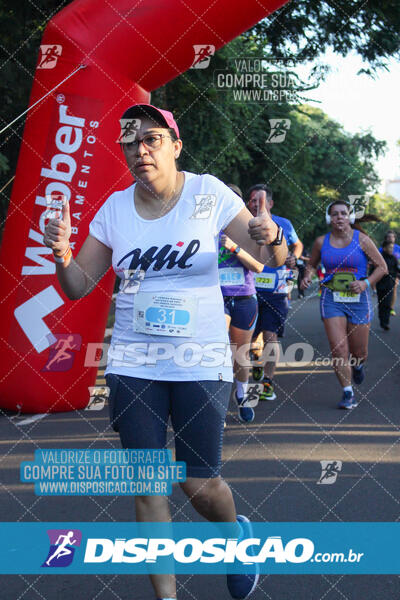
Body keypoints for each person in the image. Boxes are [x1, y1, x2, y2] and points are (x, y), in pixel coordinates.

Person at [43, 104, 287, 600]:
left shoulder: (207, 193)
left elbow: (267, 259)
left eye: (152, 139)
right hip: (135, 363)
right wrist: (62, 252)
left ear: (176, 145)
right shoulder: (114, 210)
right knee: (150, 487)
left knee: (198, 485)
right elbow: (75, 286)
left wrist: (274, 237)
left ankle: (236, 537)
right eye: (131, 142)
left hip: (199, 360)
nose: (141, 150)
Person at [301, 200, 387, 409]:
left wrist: (365, 283)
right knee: (339, 348)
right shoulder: (322, 242)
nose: (339, 217)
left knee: (359, 353)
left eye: (343, 213)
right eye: (335, 214)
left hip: (358, 300)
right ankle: (348, 393)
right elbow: (312, 264)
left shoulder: (363, 240)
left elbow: (382, 267)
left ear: (349, 217)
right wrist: (307, 276)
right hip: (332, 299)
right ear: (329, 219)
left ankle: (358, 366)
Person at [247, 184, 303, 402]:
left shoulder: (284, 224)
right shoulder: (243, 222)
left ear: (269, 203)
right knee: (250, 340)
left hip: (276, 290)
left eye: (259, 200)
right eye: (252, 200)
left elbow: (297, 245)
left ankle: (267, 382)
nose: (255, 204)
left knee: (271, 335)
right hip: (249, 289)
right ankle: (256, 359)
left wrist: (294, 258)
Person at [218, 184, 264, 423]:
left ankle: (242, 395)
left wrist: (234, 247)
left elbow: (259, 266)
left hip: (245, 298)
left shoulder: (248, 232)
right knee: (220, 352)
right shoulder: (206, 229)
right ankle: (219, 406)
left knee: (240, 355)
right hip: (217, 299)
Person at [374, 240, 400, 330]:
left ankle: (386, 322)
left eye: (392, 248)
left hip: (390, 284)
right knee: (382, 304)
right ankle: (382, 320)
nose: (391, 249)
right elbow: (373, 271)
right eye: (389, 247)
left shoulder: (394, 258)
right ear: (384, 248)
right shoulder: (380, 259)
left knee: (388, 303)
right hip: (381, 285)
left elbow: (397, 270)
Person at [379, 231, 400, 315]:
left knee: (393, 289)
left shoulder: (398, 248)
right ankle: (383, 306)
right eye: (388, 237)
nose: (390, 238)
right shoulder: (381, 249)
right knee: (383, 291)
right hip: (383, 273)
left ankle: (390, 308)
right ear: (386, 238)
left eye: (392, 237)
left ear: (395, 238)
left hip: (395, 273)